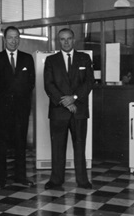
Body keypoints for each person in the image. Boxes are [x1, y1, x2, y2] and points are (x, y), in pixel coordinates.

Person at [43, 28, 94, 190]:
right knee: (57, 147)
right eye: (62, 39)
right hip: (59, 111)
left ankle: (82, 180)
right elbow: (48, 85)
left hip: (79, 111)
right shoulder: (51, 60)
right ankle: (56, 180)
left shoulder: (84, 58)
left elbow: (89, 82)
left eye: (69, 39)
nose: (66, 42)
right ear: (59, 41)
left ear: (74, 40)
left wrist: (74, 98)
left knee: (80, 146)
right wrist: (66, 102)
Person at [0, 26, 35, 189]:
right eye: (10, 37)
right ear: (4, 39)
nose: (13, 40)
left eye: (16, 37)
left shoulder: (27, 58)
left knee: (20, 143)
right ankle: (2, 179)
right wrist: (2, 102)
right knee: (1, 144)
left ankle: (21, 176)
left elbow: (30, 83)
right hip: (2, 110)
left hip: (21, 110)